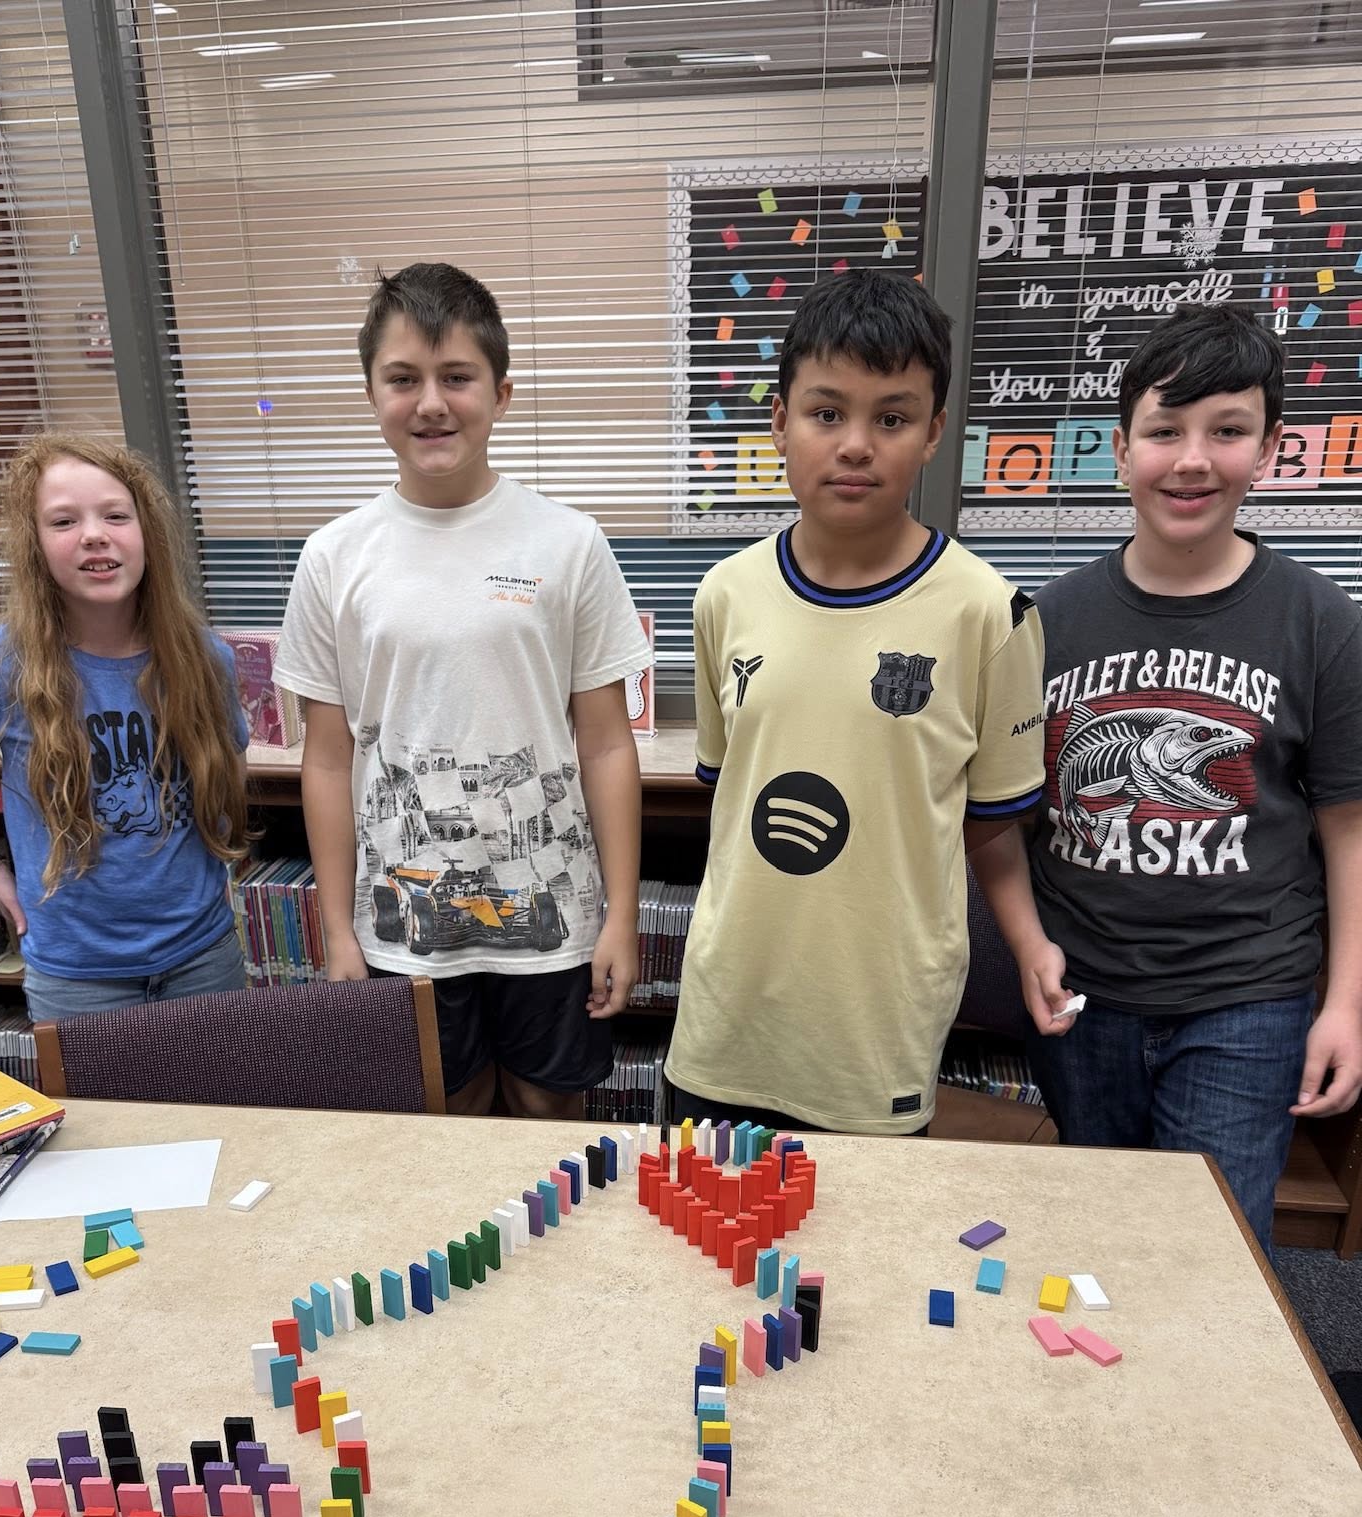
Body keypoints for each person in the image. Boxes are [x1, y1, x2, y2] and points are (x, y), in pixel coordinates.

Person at [666, 267, 1073, 1136]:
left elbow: (990, 822)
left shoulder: (989, 613)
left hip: (873, 1026)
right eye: (826, 412)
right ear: (779, 421)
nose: (856, 444)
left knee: (855, 1264)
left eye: (890, 418)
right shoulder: (723, 596)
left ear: (932, 433)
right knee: (696, 1253)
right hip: (727, 1008)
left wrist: (1032, 944)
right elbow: (729, 791)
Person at [275, 263, 650, 1117]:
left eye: (457, 378)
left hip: (553, 918)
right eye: (403, 379)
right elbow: (329, 762)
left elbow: (604, 743)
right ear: (372, 392)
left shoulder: (569, 542)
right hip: (407, 929)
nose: (430, 403)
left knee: (550, 1118)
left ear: (502, 393)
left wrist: (620, 915)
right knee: (445, 1120)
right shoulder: (334, 556)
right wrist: (338, 934)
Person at [1025, 306, 1362, 1252]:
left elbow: (1347, 828)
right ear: (1122, 447)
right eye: (1165, 431)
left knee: (1207, 1255)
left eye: (1228, 431)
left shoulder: (1319, 621)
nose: (1192, 460)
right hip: (1083, 998)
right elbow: (1012, 815)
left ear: (1269, 449)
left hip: (1248, 999)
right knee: (1093, 1242)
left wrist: (1346, 1005)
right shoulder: (1050, 620)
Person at [0, 432, 250, 1022]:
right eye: (64, 521)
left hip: (204, 959)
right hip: (74, 976)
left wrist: (218, 854)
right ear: (35, 545)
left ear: (147, 535)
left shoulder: (203, 656)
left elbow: (229, 757)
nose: (94, 533)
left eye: (116, 515)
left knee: (216, 1115)